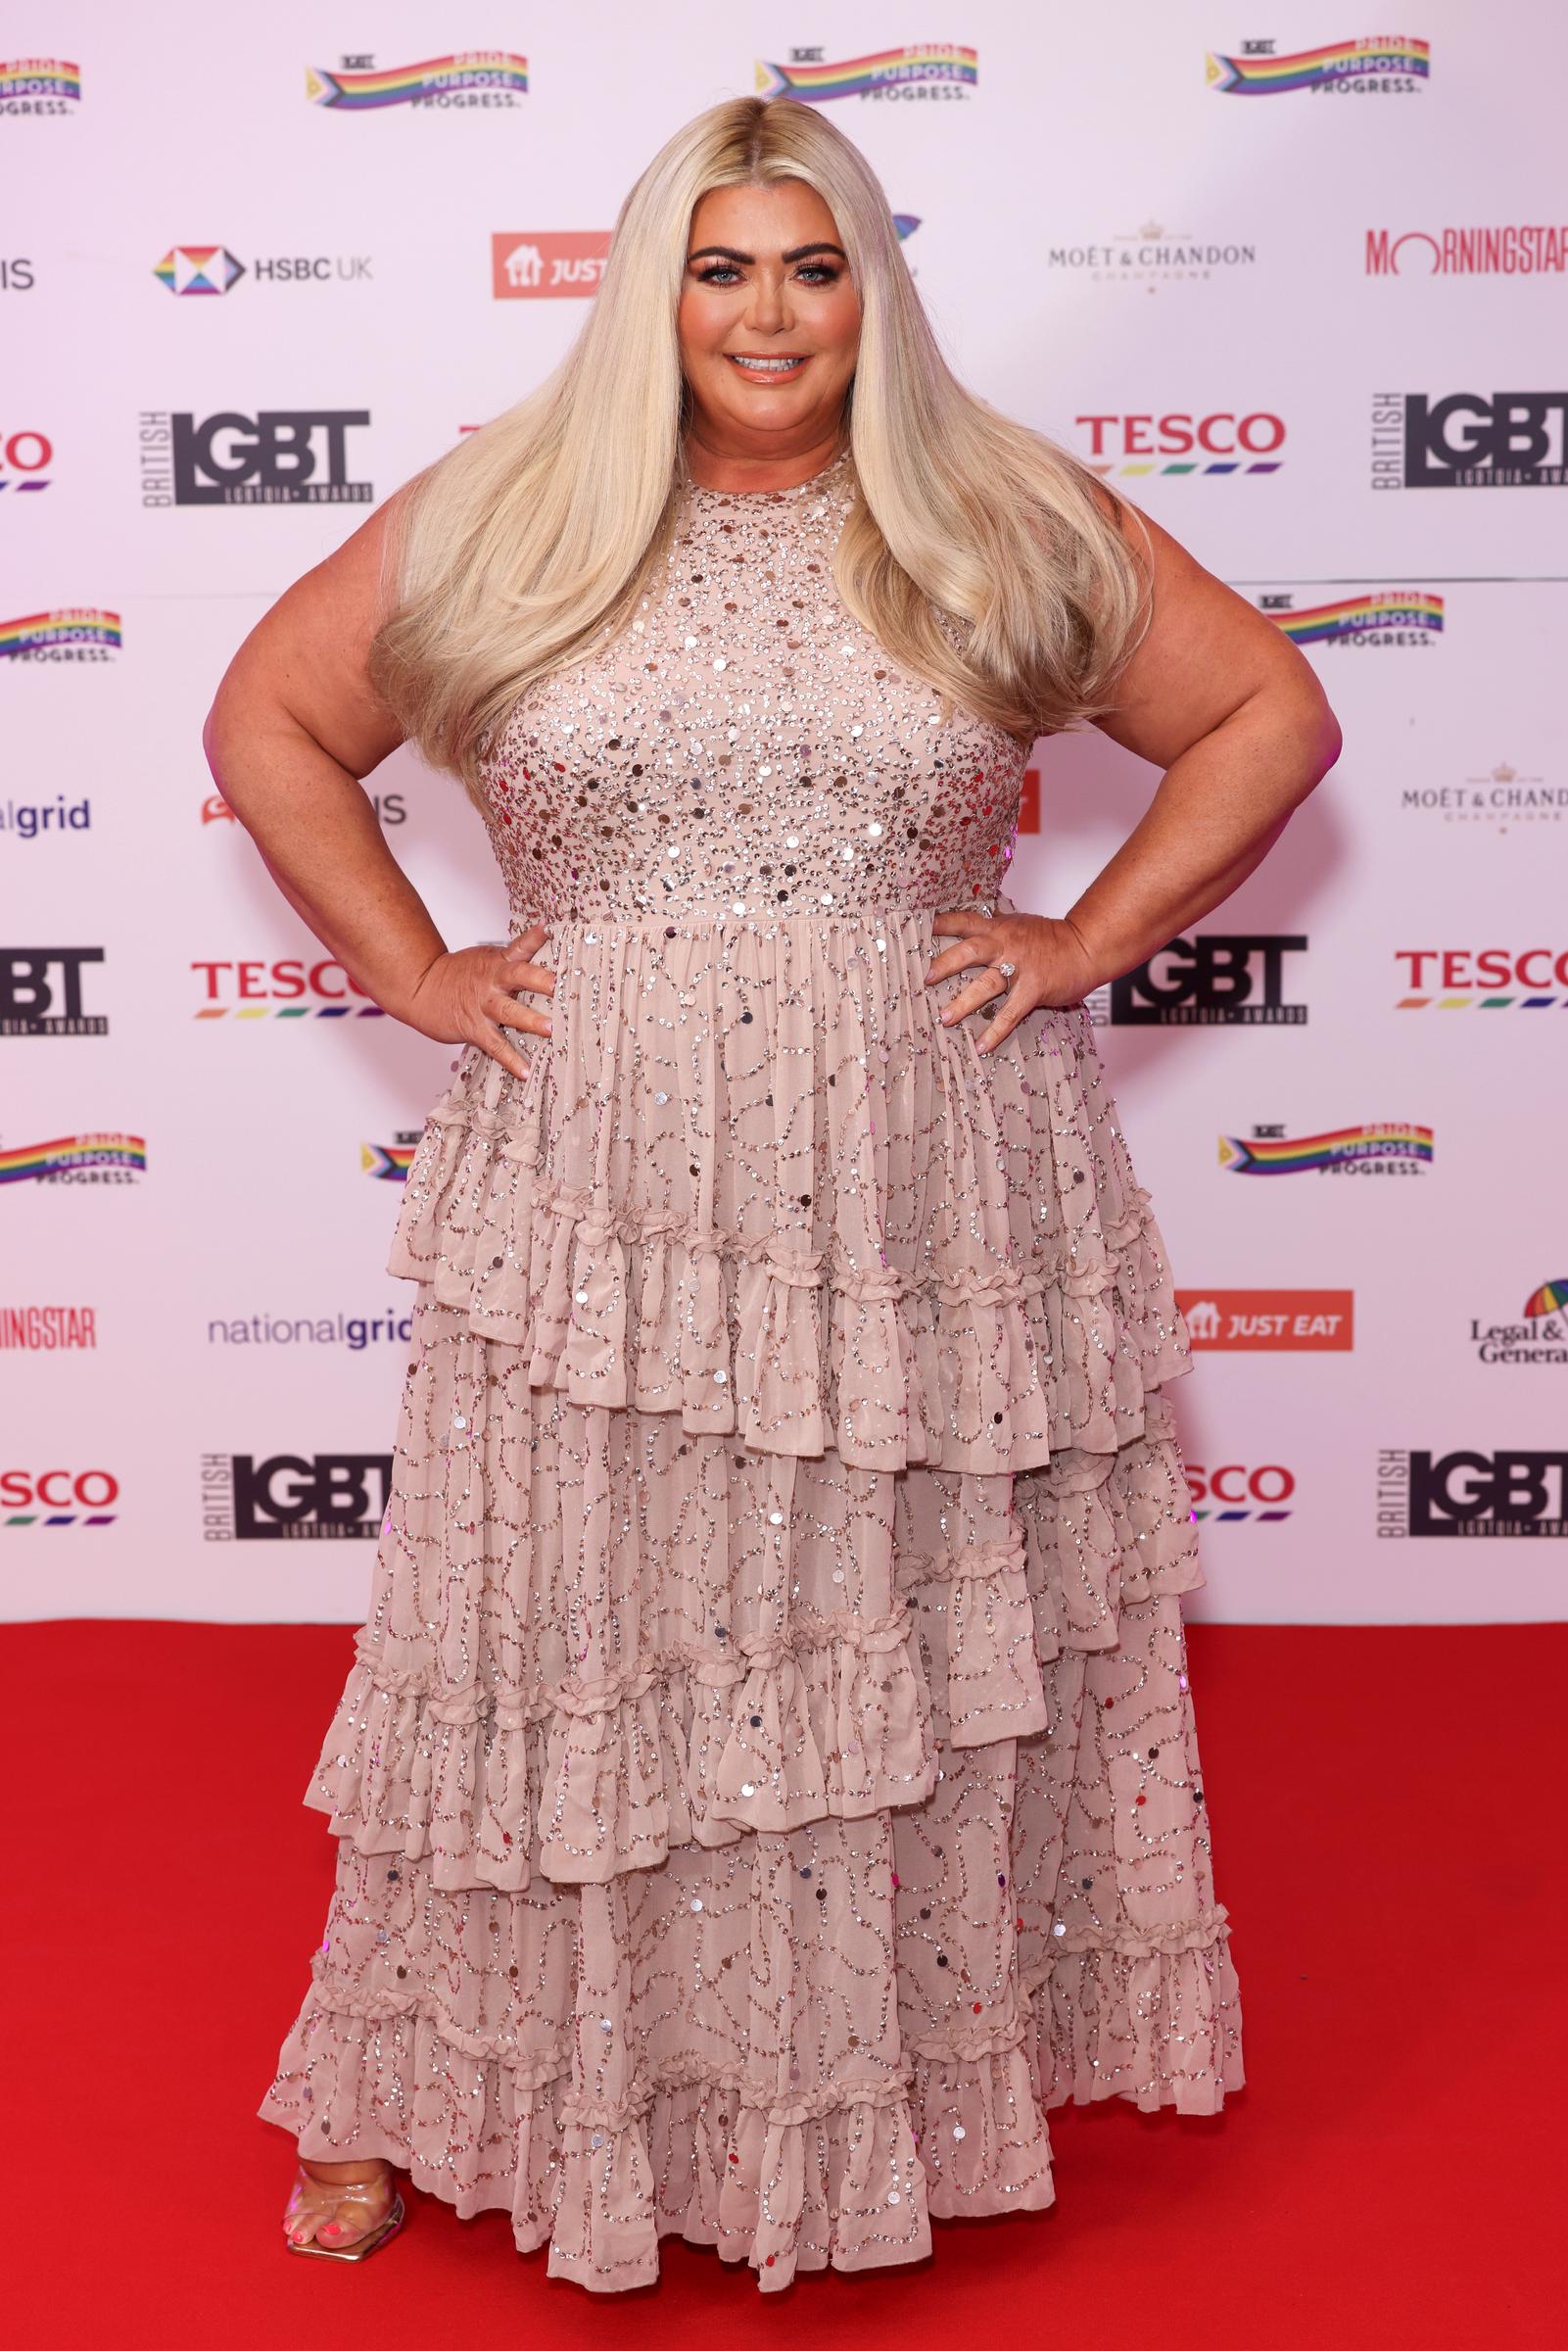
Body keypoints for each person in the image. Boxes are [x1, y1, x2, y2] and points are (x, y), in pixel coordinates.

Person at [206, 93, 1338, 2291]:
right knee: (556, 1636)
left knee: (874, 1641)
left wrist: (1087, 938)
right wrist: (418, 965)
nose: (766, 310)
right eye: (721, 265)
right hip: (605, 1173)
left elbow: (1266, 715)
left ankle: (870, 2095)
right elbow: (266, 717)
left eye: (812, 266)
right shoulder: (518, 511)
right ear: (656, 286)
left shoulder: (988, 513)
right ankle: (419, 2085)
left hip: (919, 1177)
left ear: (871, 292)